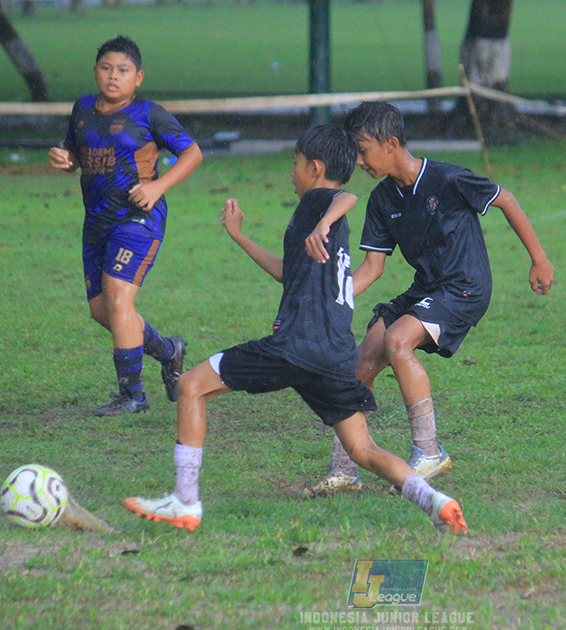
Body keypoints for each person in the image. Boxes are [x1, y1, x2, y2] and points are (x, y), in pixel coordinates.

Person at [123, 125, 468, 535]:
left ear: (315, 167)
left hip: (295, 346)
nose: (291, 172)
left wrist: (325, 219)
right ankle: (437, 502)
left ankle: (184, 501)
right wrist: (239, 237)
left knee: (191, 386)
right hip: (336, 356)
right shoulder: (319, 225)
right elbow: (290, 274)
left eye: (295, 163)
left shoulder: (317, 202)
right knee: (363, 450)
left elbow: (347, 196)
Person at [303, 101, 555, 497]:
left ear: (391, 144)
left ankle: (429, 451)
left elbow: (506, 200)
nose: (359, 161)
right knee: (362, 359)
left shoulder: (448, 179)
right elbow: (372, 269)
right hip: (428, 289)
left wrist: (539, 261)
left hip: (465, 287)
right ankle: (344, 469)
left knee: (398, 340)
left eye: (364, 150)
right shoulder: (383, 201)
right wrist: (329, 298)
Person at [48, 35, 203, 416]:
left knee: (118, 299)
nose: (112, 77)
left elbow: (193, 152)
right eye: (106, 68)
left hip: (138, 218)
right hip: (96, 222)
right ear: (95, 71)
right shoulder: (82, 109)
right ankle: (169, 351)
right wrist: (65, 159)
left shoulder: (149, 113)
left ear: (138, 77)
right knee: (104, 311)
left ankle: (132, 395)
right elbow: (77, 153)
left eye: (122, 71)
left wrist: (157, 186)